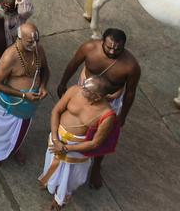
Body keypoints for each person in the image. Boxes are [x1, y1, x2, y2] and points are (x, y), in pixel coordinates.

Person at [55, 29, 141, 189]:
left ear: (124, 47)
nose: (112, 51)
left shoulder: (131, 66)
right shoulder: (89, 48)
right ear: (102, 42)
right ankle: (63, 149)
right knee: (73, 120)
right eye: (108, 47)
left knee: (104, 135)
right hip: (84, 91)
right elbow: (73, 64)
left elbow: (130, 93)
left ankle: (96, 166)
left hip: (109, 102)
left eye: (117, 49)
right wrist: (63, 83)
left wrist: (123, 116)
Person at [39, 76, 117, 208]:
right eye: (84, 86)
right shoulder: (75, 90)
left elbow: (95, 143)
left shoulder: (107, 115)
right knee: (51, 161)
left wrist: (66, 149)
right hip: (57, 137)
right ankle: (48, 182)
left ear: (97, 97)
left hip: (77, 149)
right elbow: (56, 111)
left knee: (69, 176)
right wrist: (56, 139)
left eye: (86, 89)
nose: (82, 90)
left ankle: (60, 200)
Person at [0, 22, 49, 165]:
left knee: (20, 132)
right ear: (19, 38)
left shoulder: (39, 50)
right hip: (11, 104)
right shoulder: (10, 56)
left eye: (36, 41)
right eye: (30, 42)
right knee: (0, 131)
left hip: (29, 106)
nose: (34, 45)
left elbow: (45, 71)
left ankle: (15, 148)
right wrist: (23, 95)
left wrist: (44, 86)